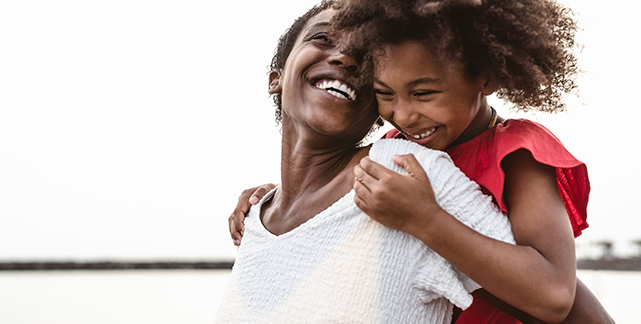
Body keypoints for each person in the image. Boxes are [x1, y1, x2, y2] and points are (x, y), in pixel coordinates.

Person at [228, 0, 614, 323]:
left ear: (486, 76)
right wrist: (279, 198)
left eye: (424, 92)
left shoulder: (516, 154)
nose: (405, 114)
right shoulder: (398, 148)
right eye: (384, 94)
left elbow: (559, 296)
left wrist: (425, 220)